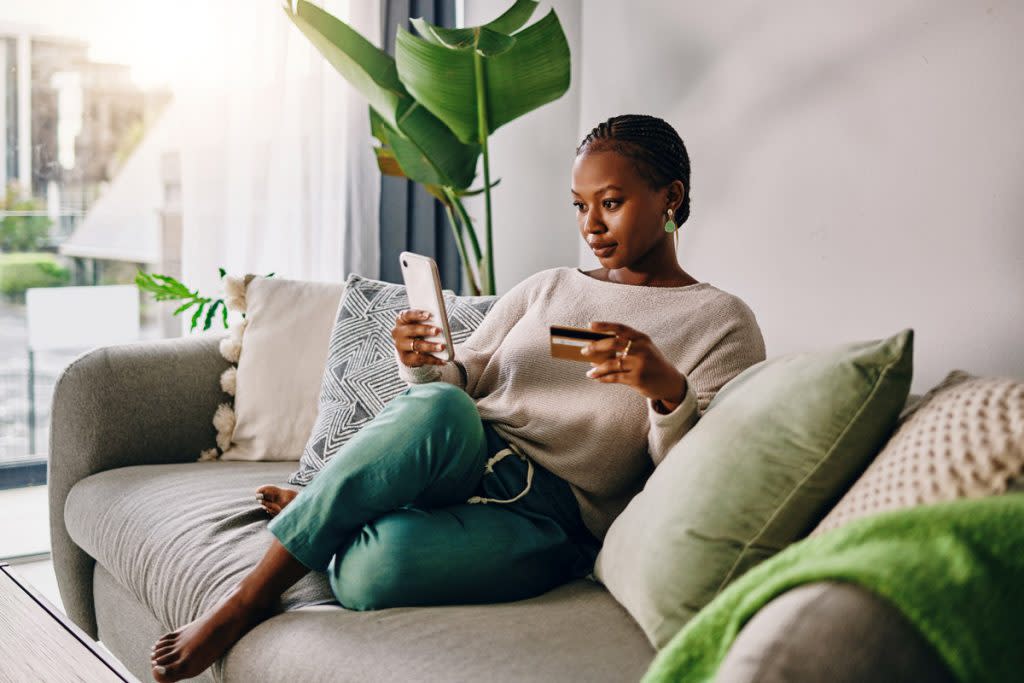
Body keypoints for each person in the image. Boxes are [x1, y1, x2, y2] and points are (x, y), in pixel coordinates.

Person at [148, 113, 766, 682]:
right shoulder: (548, 286)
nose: (591, 226)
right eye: (579, 206)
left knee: (370, 574)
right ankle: (244, 601)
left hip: (551, 520)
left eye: (611, 203)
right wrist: (425, 363)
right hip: (464, 448)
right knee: (442, 405)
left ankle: (338, 501)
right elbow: (459, 386)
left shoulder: (720, 322)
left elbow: (693, 477)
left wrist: (666, 391)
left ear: (671, 198)